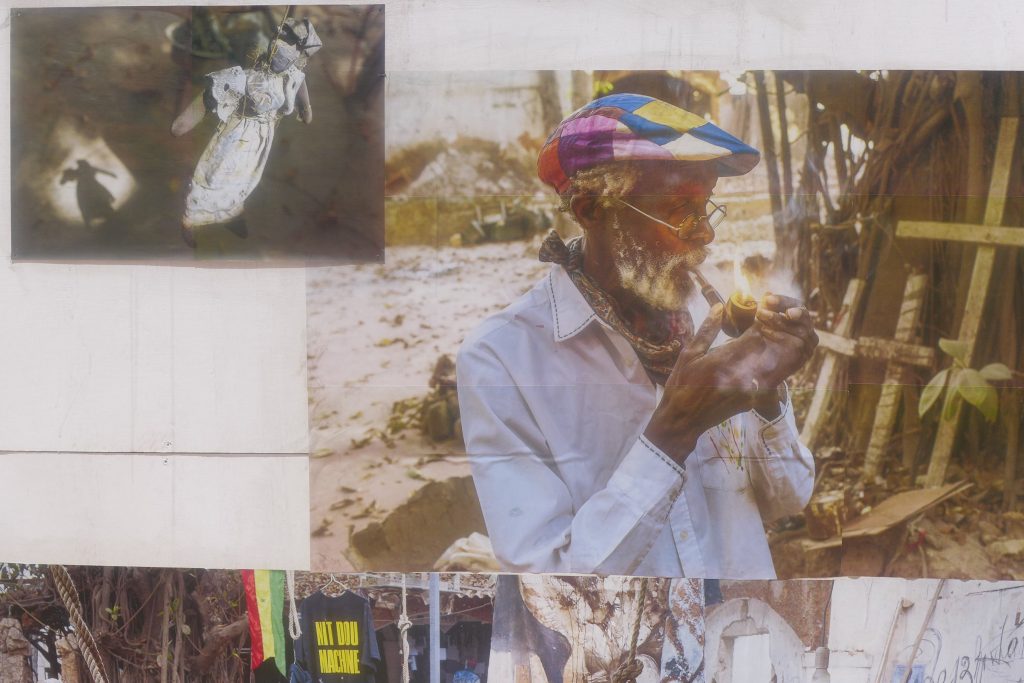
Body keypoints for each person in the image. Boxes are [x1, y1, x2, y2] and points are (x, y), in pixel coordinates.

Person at [456, 93, 818, 579]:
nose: (705, 234)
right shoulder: (503, 362)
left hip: (743, 633)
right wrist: (674, 430)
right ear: (591, 209)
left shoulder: (714, 321)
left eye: (706, 207)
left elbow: (787, 501)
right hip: (624, 653)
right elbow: (552, 580)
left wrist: (769, 392)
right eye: (678, 210)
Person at [171, 17, 322, 248]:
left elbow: (300, 86)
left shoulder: (292, 75)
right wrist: (183, 124)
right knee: (214, 176)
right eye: (282, 38)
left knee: (246, 178)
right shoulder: (241, 77)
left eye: (293, 44)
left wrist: (306, 108)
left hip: (261, 140)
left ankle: (229, 213)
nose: (284, 46)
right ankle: (191, 219)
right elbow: (208, 99)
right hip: (234, 138)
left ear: (299, 55)